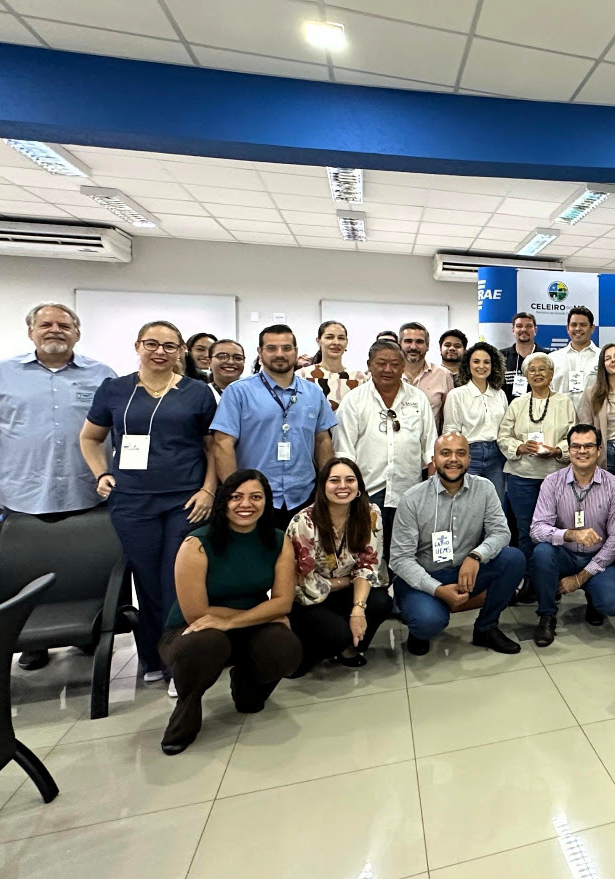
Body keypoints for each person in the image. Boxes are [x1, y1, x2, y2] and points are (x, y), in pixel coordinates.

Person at [80, 320, 217, 683]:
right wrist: (101, 474)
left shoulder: (197, 392)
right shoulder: (114, 389)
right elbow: (90, 438)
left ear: (181, 351)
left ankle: (178, 662)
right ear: (138, 346)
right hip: (131, 501)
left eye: (170, 346)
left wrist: (208, 490)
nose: (160, 352)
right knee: (147, 579)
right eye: (152, 344)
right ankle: (152, 657)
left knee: (176, 580)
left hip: (185, 500)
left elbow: (212, 447)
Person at [158, 469, 300, 755]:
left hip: (245, 625)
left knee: (284, 646)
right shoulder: (196, 543)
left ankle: (248, 687)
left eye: (256, 497)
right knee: (205, 644)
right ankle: (186, 715)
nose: (246, 504)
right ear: (223, 501)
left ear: (266, 502)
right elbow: (196, 613)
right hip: (192, 630)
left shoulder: (278, 540)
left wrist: (233, 621)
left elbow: (283, 602)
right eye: (236, 497)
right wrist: (263, 613)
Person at [0, 301, 115, 521]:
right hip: (22, 496)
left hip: (89, 492)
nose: (55, 330)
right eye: (46, 325)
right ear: (31, 332)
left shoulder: (103, 375)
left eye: (64, 326)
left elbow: (121, 431)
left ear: (77, 334)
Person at [389, 432, 527, 657]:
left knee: (513, 559)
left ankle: (486, 628)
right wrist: (438, 590)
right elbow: (400, 559)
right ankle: (419, 628)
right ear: (434, 460)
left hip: (465, 571)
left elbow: (501, 532)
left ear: (469, 459)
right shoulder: (412, 499)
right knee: (427, 621)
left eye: (460, 453)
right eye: (445, 453)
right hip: (425, 575)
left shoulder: (484, 488)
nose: (453, 459)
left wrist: (476, 556)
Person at [211, 325, 337, 531]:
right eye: (271, 348)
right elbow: (222, 444)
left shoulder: (314, 393)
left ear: (296, 352)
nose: (280, 354)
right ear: (260, 352)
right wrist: (234, 494)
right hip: (254, 498)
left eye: (286, 348)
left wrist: (327, 488)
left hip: (304, 496)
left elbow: (323, 440)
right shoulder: (238, 392)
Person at [283, 457, 393, 672]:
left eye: (350, 480)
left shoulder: (371, 514)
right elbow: (303, 581)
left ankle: (345, 645)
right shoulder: (303, 522)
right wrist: (345, 581)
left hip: (345, 588)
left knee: (381, 603)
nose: (343, 486)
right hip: (309, 597)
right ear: (322, 486)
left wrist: (358, 610)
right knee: (304, 663)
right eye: (334, 480)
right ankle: (328, 644)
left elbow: (368, 565)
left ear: (359, 486)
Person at [333, 339, 436, 558]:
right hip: (367, 491)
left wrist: (431, 493)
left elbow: (430, 449)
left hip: (408, 491)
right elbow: (344, 451)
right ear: (369, 365)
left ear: (403, 366)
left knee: (404, 554)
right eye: (381, 363)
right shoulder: (354, 400)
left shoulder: (418, 399)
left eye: (395, 364)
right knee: (367, 553)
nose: (388, 369)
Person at [528, 423, 615, 645]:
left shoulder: (614, 486)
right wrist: (570, 535)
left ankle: (594, 601)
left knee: (612, 603)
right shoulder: (552, 482)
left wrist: (580, 578)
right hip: (563, 554)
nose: (582, 451)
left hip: (598, 557)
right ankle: (547, 615)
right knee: (542, 553)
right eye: (576, 446)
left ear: (599, 449)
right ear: (569, 449)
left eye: (588, 446)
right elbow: (536, 530)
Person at [497, 352, 575, 546]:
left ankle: (548, 564)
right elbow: (503, 436)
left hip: (555, 476)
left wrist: (557, 451)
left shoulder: (564, 402)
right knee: (525, 529)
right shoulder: (517, 403)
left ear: (551, 373)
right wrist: (520, 447)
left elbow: (573, 437)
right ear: (526, 375)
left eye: (542, 369)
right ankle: (527, 565)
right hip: (521, 477)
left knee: (555, 528)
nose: (537, 373)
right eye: (532, 370)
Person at [443, 340, 509, 506]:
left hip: (497, 456)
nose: (481, 366)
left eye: (486, 362)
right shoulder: (456, 395)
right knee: (468, 506)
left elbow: (506, 428)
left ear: (493, 365)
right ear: (468, 365)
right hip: (469, 455)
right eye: (476, 361)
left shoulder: (500, 394)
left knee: (496, 505)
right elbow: (451, 431)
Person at [580, 343, 615, 482]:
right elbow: (585, 429)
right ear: (602, 365)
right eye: (608, 358)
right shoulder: (591, 393)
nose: (613, 360)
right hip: (601, 453)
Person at [302, 320, 363, 409]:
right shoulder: (302, 376)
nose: (336, 342)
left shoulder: (359, 378)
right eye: (329, 337)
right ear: (318, 341)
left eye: (341, 338)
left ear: (346, 342)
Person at [399, 321, 453, 420]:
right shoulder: (389, 374)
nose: (413, 347)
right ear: (399, 345)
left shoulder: (443, 375)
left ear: (427, 346)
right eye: (408, 341)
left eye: (419, 342)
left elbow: (449, 419)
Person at [549, 305, 599, 397]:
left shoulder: (602, 357)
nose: (578, 328)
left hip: (593, 407)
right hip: (560, 407)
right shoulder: (553, 358)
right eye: (574, 325)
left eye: (583, 325)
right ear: (568, 328)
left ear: (592, 328)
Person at [501, 311, 540, 401]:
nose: (523, 329)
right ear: (513, 330)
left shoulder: (548, 356)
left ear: (535, 330)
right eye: (519, 326)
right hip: (509, 409)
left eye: (528, 326)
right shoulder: (500, 357)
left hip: (540, 408)